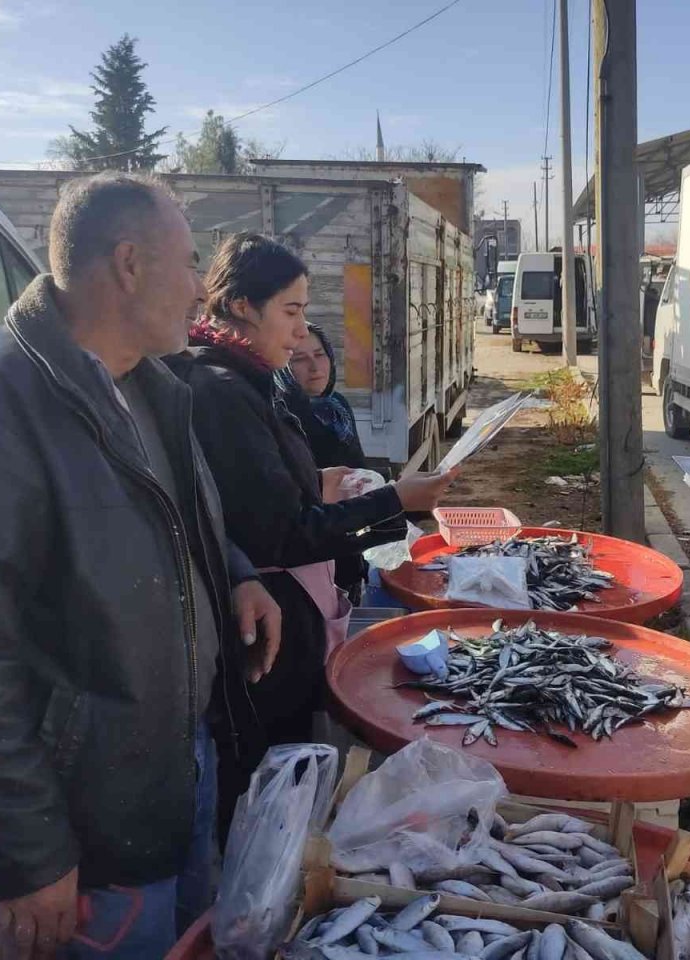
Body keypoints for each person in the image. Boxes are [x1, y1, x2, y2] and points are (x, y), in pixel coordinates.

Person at [0, 173, 282, 959]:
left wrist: (235, 571)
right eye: (190, 262)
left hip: (167, 779)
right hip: (79, 829)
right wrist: (28, 850)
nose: (202, 289)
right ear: (129, 263)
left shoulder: (146, 384)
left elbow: (167, 516)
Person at [168, 233, 456, 832]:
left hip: (285, 613)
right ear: (243, 306)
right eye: (292, 312)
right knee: (267, 792)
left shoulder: (246, 379)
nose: (302, 334)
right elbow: (284, 535)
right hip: (265, 633)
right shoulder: (220, 391)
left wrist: (322, 479)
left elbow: (254, 493)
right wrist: (394, 499)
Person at [287, 322, 373, 602]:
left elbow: (359, 468)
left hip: (352, 542)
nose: (314, 367)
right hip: (315, 551)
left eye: (320, 354)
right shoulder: (285, 417)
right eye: (299, 359)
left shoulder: (338, 408)